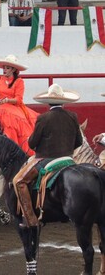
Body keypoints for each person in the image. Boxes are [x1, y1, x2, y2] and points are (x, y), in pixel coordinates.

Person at [13, 84, 81, 229]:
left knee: (19, 181)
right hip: (68, 159)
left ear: (48, 102)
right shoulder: (73, 116)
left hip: (46, 160)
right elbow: (79, 142)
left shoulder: (43, 118)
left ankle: (30, 220)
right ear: (63, 101)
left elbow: (32, 143)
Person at [0, 55, 38, 155]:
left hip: (14, 107)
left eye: (7, 68)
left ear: (13, 69)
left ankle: (12, 148)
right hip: (0, 107)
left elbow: (18, 99)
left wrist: (7, 100)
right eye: (4, 67)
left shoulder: (19, 81)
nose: (4, 70)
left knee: (11, 120)